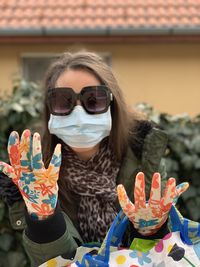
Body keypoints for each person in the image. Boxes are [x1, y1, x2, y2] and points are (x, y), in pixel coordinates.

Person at [0, 51, 177, 267]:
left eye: (93, 99)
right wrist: (44, 219)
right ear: (50, 109)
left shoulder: (145, 157)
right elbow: (48, 262)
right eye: (63, 100)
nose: (78, 113)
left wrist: (150, 231)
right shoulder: (33, 176)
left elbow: (159, 256)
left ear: (112, 103)